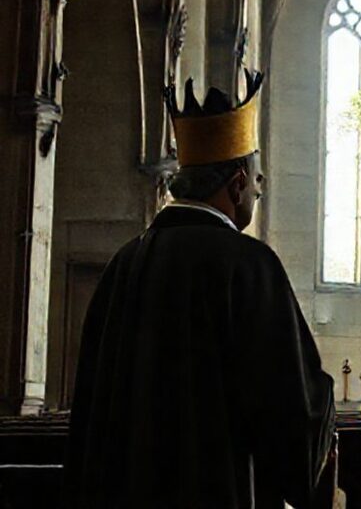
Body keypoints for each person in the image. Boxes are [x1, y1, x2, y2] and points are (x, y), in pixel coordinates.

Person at [64, 72, 336, 508]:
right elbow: (290, 406)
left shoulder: (124, 263)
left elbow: (92, 407)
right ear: (237, 184)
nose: (258, 192)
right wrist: (321, 396)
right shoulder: (248, 264)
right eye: (257, 180)